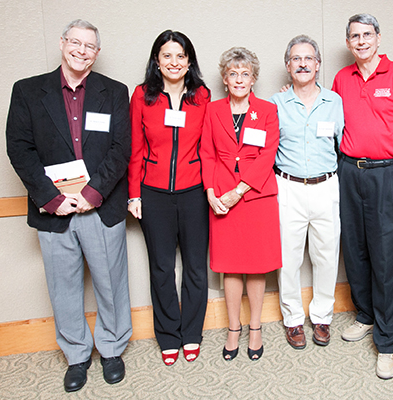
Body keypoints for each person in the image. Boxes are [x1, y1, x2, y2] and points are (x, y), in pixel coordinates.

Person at [5, 19, 131, 392]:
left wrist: (93, 194)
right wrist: (52, 199)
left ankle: (111, 349)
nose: (81, 50)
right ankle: (77, 356)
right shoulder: (28, 91)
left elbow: (121, 148)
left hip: (101, 206)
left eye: (89, 45)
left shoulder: (114, 92)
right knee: (63, 286)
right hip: (54, 210)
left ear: (97, 52)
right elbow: (19, 149)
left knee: (112, 283)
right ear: (62, 44)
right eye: (75, 42)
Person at [332, 14, 393, 379]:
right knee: (355, 250)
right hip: (349, 172)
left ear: (378, 38)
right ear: (349, 42)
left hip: (389, 174)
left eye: (366, 34)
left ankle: (387, 342)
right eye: (354, 36)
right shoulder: (342, 78)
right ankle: (366, 315)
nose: (361, 41)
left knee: (387, 259)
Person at [127, 30, 210, 366]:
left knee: (195, 269)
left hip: (194, 193)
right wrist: (134, 193)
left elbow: (210, 146)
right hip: (153, 194)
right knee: (161, 268)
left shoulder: (201, 96)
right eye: (167, 56)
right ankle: (168, 336)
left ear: (189, 61)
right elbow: (135, 148)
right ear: (157, 61)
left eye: (180, 56)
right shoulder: (142, 96)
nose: (174, 62)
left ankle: (191, 333)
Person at [200, 47, 282, 362]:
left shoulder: (268, 110)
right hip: (220, 197)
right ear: (224, 78)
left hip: (256, 197)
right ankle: (233, 327)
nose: (239, 79)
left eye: (245, 73)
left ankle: (256, 326)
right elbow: (206, 153)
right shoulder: (212, 110)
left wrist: (241, 190)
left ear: (254, 79)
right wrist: (210, 191)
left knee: (257, 264)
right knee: (230, 266)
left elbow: (267, 156)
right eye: (233, 73)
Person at [269, 35, 344, 349]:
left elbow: (342, 143)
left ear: (317, 64)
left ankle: (323, 316)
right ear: (288, 66)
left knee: (327, 256)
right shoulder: (275, 103)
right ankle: (293, 320)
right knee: (288, 259)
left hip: (326, 185)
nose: (302, 64)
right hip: (288, 187)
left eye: (308, 58)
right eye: (296, 59)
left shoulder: (334, 102)